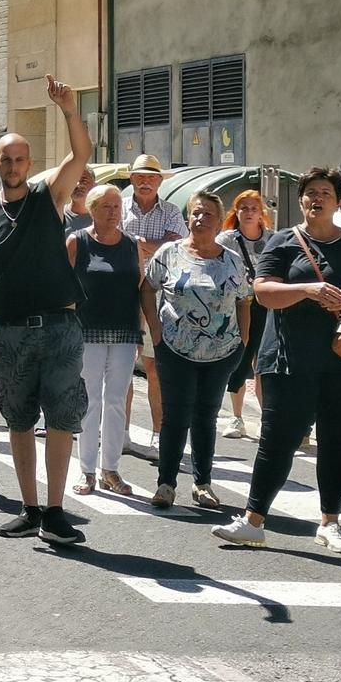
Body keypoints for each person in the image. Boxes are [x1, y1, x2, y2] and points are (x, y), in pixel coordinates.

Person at [214, 167, 341, 554]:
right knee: (276, 442)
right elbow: (264, 292)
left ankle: (331, 523)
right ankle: (253, 521)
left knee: (335, 442)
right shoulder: (283, 242)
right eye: (310, 193)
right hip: (288, 361)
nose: (317, 199)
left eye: (325, 193)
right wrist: (308, 289)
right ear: (301, 201)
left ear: (338, 200)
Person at [0, 76, 93, 544]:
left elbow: (80, 155)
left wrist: (68, 110)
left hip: (60, 326)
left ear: (29, 164)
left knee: (61, 417)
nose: (13, 166)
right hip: (10, 332)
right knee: (18, 418)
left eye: (21, 159)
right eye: (7, 159)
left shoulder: (49, 196)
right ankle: (30, 508)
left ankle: (56, 510)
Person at [144, 191, 253, 510]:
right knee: (175, 415)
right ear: (188, 217)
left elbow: (244, 301)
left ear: (220, 222)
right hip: (174, 349)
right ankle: (166, 484)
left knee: (206, 416)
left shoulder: (232, 260)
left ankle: (203, 483)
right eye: (195, 213)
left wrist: (243, 340)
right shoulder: (169, 253)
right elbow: (147, 288)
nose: (200, 219)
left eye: (208, 214)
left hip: (221, 353)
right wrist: (155, 328)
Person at [68, 183, 146, 497]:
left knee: (116, 401)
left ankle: (110, 469)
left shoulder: (132, 244)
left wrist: (140, 329)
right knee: (89, 399)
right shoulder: (77, 241)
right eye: (106, 207)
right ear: (92, 209)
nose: (113, 212)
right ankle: (86, 470)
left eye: (117, 207)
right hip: (87, 330)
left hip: (125, 331)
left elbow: (139, 288)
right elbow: (64, 287)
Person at [119, 155, 184, 459]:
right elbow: (110, 240)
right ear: (131, 179)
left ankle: (159, 433)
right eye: (140, 177)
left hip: (159, 296)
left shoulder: (171, 211)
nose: (145, 182)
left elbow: (175, 248)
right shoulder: (117, 207)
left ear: (160, 181)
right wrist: (154, 243)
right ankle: (123, 431)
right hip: (120, 292)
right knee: (121, 368)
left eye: (151, 177)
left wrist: (138, 242)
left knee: (155, 368)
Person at [219, 190, 273, 438]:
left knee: (264, 363)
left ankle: (267, 419)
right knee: (240, 360)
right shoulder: (227, 240)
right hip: (238, 305)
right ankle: (236, 417)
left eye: (254, 208)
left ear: (261, 213)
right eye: (244, 208)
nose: (249, 213)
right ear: (236, 212)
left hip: (266, 307)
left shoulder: (272, 239)